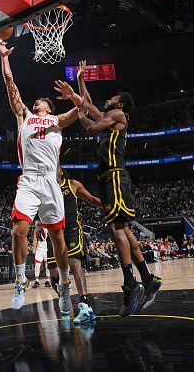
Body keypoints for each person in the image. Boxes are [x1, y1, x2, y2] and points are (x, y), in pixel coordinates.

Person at [56, 61, 162, 317]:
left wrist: (76, 108)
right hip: (110, 178)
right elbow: (89, 105)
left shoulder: (118, 116)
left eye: (113, 97)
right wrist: (79, 84)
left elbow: (90, 124)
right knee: (124, 229)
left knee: (116, 230)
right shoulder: (110, 116)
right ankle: (148, 279)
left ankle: (130, 286)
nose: (108, 99)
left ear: (121, 104)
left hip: (114, 177)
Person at [0, 41, 80, 312]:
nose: (36, 103)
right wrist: (4, 58)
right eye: (35, 102)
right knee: (18, 230)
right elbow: (10, 85)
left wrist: (76, 89)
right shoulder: (25, 116)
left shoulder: (58, 121)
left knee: (58, 239)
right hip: (30, 179)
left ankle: (64, 288)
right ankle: (21, 280)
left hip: (51, 183)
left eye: (41, 102)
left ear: (50, 107)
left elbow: (85, 109)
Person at [43, 168, 103, 324]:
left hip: (71, 230)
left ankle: (85, 306)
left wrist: (110, 206)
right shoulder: (46, 187)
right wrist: (37, 223)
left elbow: (91, 199)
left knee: (75, 264)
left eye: (56, 166)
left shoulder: (73, 185)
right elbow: (38, 206)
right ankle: (63, 297)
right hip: (53, 230)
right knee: (54, 275)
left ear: (62, 171)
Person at [31, 220, 50, 289]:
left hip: (46, 249)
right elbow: (35, 239)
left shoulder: (47, 229)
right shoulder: (36, 231)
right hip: (39, 250)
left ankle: (48, 280)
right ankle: (37, 281)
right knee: (37, 265)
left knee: (47, 265)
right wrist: (34, 248)